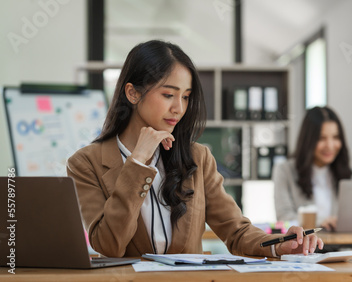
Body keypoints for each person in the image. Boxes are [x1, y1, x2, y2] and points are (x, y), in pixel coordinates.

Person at [66, 40, 323, 258]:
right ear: (133, 93)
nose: (179, 107)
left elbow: (235, 230)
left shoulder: (198, 157)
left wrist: (279, 245)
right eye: (168, 94)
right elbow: (108, 245)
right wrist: (138, 162)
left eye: (186, 96)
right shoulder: (85, 163)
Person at [273, 106, 352, 231]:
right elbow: (285, 218)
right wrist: (321, 223)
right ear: (309, 140)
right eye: (322, 138)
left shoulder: (349, 176)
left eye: (336, 137)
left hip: (342, 249)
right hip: (304, 248)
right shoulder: (285, 171)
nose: (330, 145)